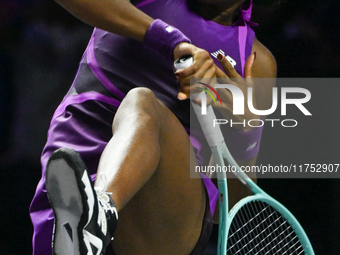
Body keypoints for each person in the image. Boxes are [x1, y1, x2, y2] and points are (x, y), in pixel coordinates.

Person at [29, 0, 277, 254]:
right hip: (74, 172)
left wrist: (246, 132)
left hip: (163, 216)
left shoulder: (256, 63)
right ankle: (88, 222)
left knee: (143, 105)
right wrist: (166, 39)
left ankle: (96, 217)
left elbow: (229, 206)